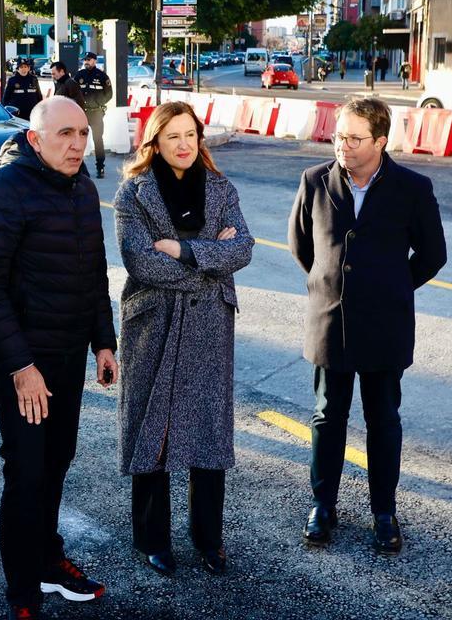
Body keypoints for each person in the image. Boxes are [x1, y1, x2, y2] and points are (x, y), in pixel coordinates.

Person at [0, 96, 118, 620]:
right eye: (64, 135)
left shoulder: (82, 187)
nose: (77, 145)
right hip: (23, 362)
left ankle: (48, 561)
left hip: (68, 352)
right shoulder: (3, 188)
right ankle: (22, 592)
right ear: (35, 139)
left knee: (56, 462)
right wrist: (20, 367)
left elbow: (94, 272)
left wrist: (103, 342)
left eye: (83, 134)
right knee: (27, 472)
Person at [287, 96, 447, 556]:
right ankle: (323, 506)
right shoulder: (314, 180)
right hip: (330, 322)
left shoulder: (412, 188)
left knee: (383, 421)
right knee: (327, 416)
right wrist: (329, 285)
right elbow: (301, 244)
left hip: (384, 326)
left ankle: (384, 512)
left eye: (355, 139)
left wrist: (393, 287)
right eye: (339, 136)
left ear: (380, 141)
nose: (343, 146)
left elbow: (433, 255)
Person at [114, 102, 253, 578]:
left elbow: (244, 248)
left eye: (190, 134)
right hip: (153, 324)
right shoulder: (133, 193)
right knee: (153, 429)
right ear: (154, 142)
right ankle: (152, 539)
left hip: (210, 325)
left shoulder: (220, 188)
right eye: (172, 136)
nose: (184, 144)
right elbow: (141, 262)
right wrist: (211, 262)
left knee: (207, 432)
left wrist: (184, 249)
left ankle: (208, 539)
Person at [73, 52, 114, 179]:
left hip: (96, 113)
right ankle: (77, 167)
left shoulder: (102, 76)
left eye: (89, 59)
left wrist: (98, 103)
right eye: (85, 59)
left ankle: (100, 166)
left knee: (98, 140)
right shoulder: (79, 75)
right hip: (82, 113)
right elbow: (72, 91)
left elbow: (109, 94)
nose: (86, 62)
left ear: (95, 61)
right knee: (77, 140)